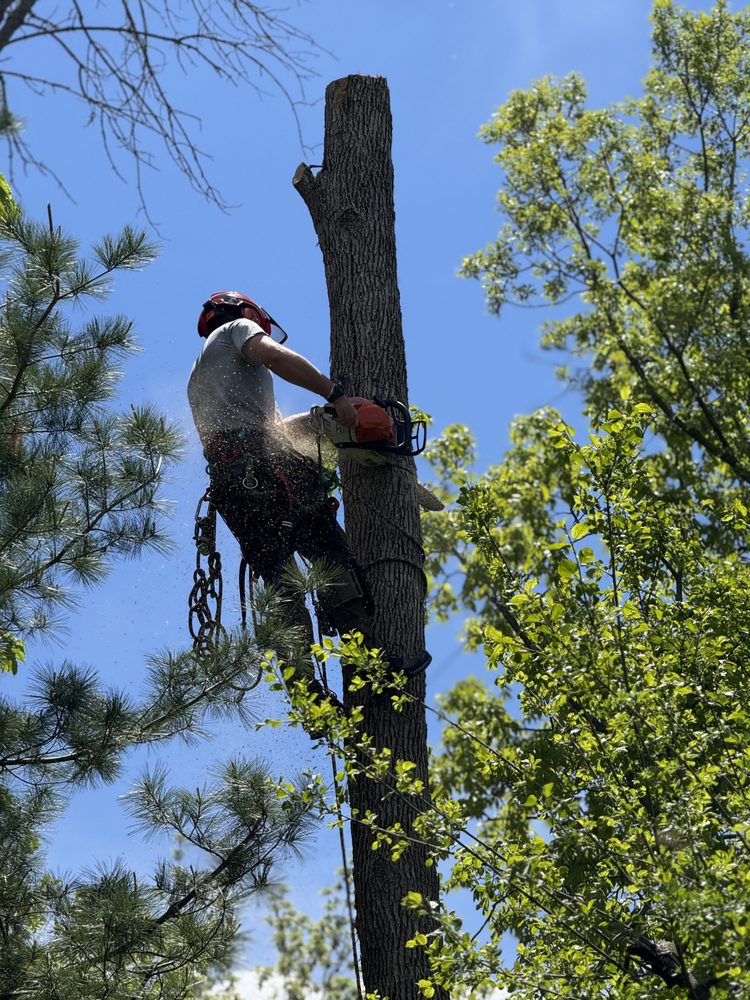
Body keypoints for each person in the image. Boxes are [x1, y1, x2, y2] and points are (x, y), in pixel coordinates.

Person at [187, 290, 379, 675]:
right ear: (246, 313)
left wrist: (315, 421)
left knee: (280, 583)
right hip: (266, 470)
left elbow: (269, 430)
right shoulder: (237, 330)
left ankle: (308, 696)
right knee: (328, 551)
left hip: (233, 486)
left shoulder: (201, 374)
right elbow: (274, 357)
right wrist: (334, 393)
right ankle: (372, 666)